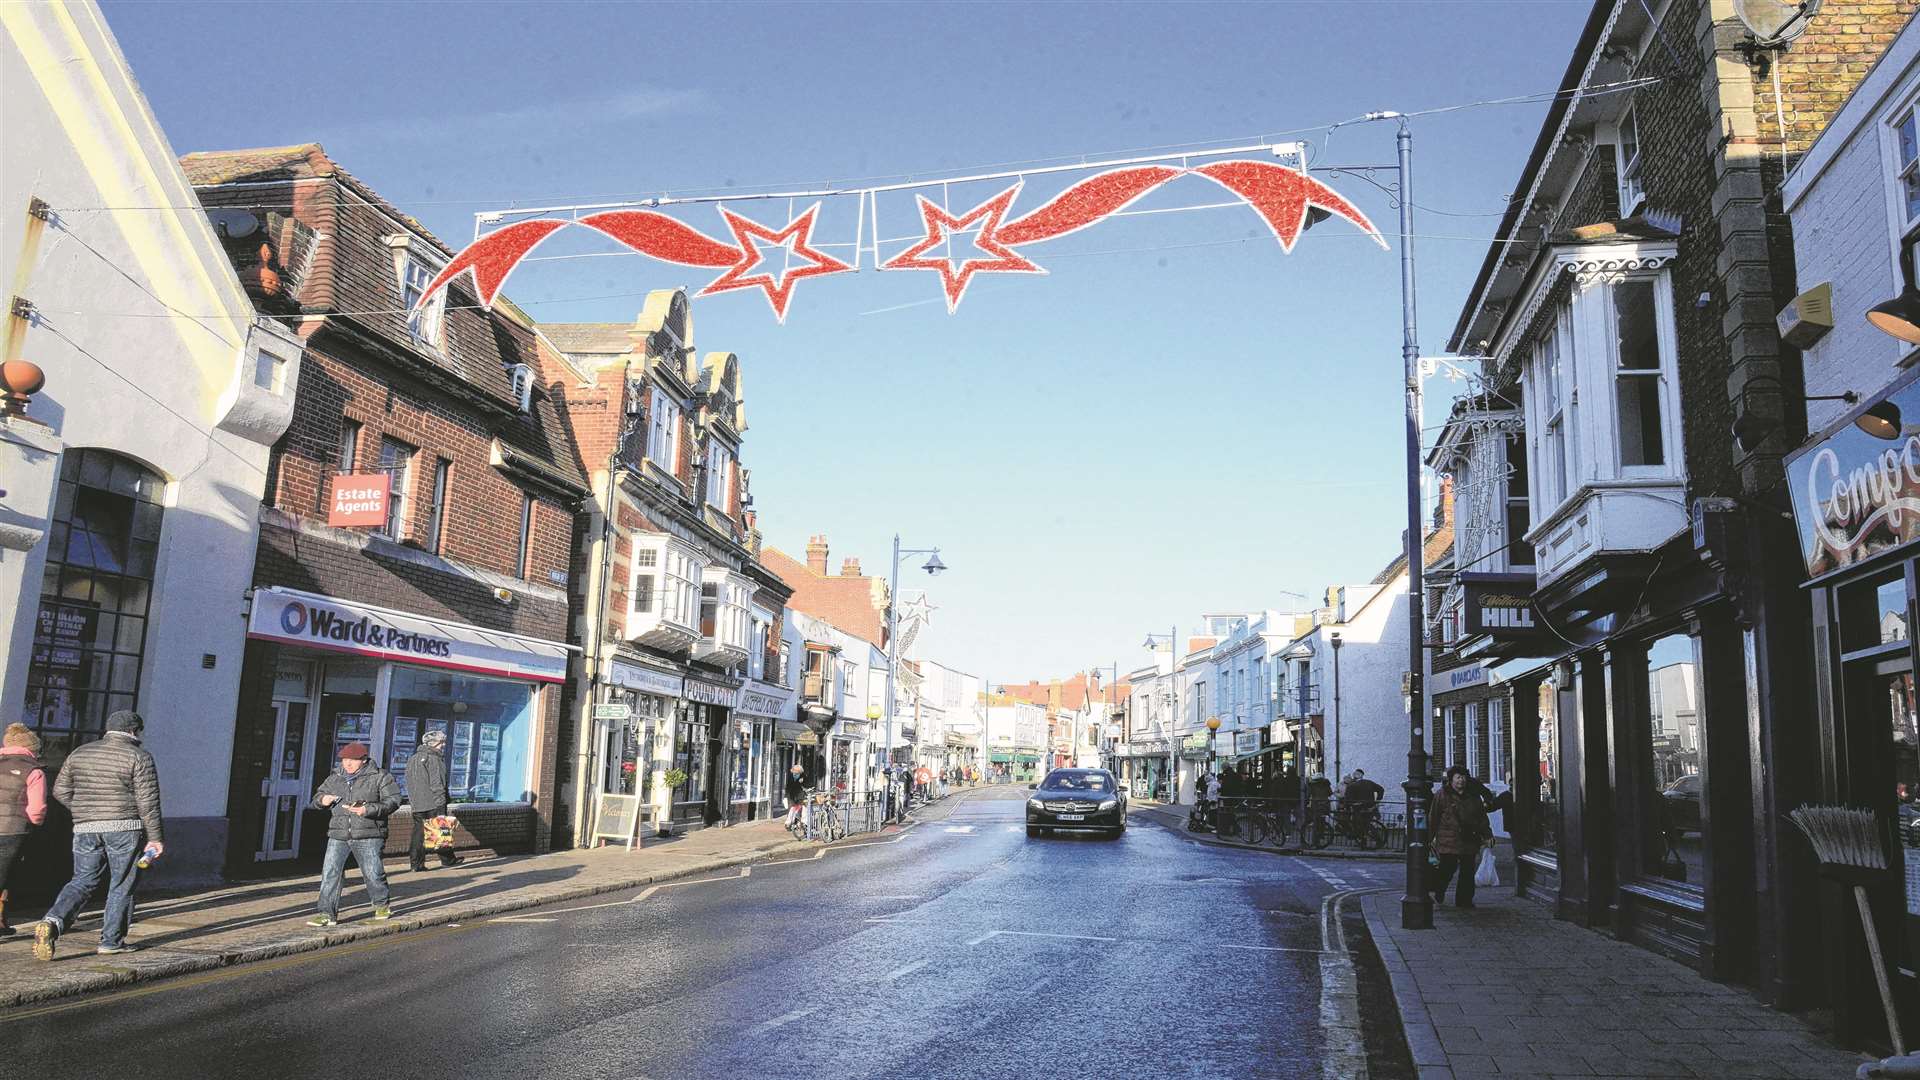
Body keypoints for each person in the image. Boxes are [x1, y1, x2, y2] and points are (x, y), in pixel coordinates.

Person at [33, 710, 163, 960]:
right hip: (125, 828)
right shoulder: (139, 756)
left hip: (85, 828)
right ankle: (111, 941)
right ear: (134, 731)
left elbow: (60, 790)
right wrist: (155, 837)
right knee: (121, 884)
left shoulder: (80, 753)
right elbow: (148, 802)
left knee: (82, 880)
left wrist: (83, 811)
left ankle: (52, 921)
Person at [307, 743, 402, 927]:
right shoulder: (335, 777)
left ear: (364, 760)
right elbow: (316, 798)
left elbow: (394, 801)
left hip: (369, 832)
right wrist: (322, 800)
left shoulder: (380, 776)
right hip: (338, 833)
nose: (347, 764)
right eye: (344, 760)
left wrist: (368, 809)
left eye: (352, 760)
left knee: (373, 872)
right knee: (330, 873)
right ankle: (327, 913)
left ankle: (381, 905)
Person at [0, 723, 49, 938]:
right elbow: (37, 809)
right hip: (13, 830)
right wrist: (33, 822)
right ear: (32, 748)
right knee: (5, 875)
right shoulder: (34, 770)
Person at [1430, 765, 1493, 909]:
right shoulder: (1441, 795)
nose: (1461, 780)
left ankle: (1464, 901)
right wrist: (1430, 838)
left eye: (1463, 777)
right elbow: (1433, 817)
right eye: (1458, 777)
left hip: (1469, 839)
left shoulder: (1473, 796)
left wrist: (1487, 835)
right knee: (1447, 869)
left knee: (1467, 871)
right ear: (1451, 779)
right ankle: (1439, 891)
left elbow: (1481, 818)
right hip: (1448, 840)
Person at [405, 730, 461, 872]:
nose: (443, 745)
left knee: (419, 833)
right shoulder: (434, 759)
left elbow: (409, 781)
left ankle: (416, 864)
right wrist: (441, 802)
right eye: (442, 742)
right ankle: (447, 860)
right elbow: (437, 783)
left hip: (417, 802)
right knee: (441, 830)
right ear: (435, 743)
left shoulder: (413, 758)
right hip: (434, 802)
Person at [784, 763, 810, 833]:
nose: (795, 773)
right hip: (792, 796)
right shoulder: (790, 777)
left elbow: (807, 784)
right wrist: (786, 796)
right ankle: (788, 823)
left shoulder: (803, 776)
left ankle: (804, 823)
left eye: (797, 772)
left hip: (800, 796)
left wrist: (802, 783)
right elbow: (788, 786)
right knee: (793, 809)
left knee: (804, 807)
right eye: (794, 771)